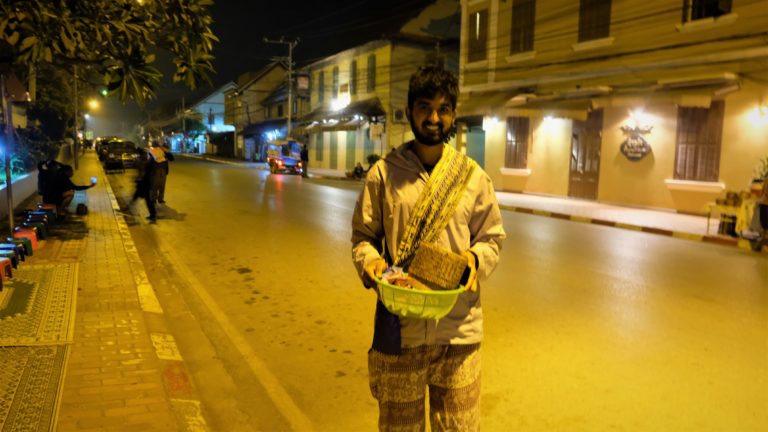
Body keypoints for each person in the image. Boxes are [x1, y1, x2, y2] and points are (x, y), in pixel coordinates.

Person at [350, 65, 506, 431]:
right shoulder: (383, 174)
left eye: (443, 109)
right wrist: (370, 264)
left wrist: (473, 259)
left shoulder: (473, 177)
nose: (434, 118)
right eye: (425, 107)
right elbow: (363, 238)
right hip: (400, 330)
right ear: (409, 112)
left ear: (453, 114)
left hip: (459, 332)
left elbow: (492, 238)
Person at [130, 148, 158, 223]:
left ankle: (153, 215)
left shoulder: (145, 162)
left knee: (143, 198)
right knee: (142, 198)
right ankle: (153, 214)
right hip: (144, 182)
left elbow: (136, 165)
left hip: (145, 183)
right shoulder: (148, 161)